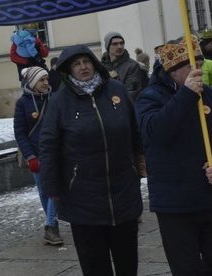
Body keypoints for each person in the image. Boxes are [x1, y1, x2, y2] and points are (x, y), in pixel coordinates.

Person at [136, 37, 212, 275]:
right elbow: (156, 132)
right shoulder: (149, 98)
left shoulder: (211, 95)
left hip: (209, 194)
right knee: (186, 267)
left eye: (199, 62)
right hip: (174, 202)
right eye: (190, 65)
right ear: (173, 72)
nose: (198, 70)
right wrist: (185, 95)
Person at [40, 45, 143, 276]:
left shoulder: (116, 90)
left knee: (128, 262)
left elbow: (135, 132)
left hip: (122, 191)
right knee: (95, 265)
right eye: (76, 64)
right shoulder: (60, 101)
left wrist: (141, 165)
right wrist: (51, 187)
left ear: (95, 64)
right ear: (68, 70)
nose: (83, 67)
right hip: (82, 196)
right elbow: (48, 146)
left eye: (87, 61)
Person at [13, 66, 62, 246]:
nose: (46, 83)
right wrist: (30, 157)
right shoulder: (22, 103)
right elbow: (20, 133)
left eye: (47, 79)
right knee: (45, 192)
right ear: (33, 82)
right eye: (41, 80)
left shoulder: (54, 98)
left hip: (56, 152)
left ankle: (51, 226)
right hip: (36, 154)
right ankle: (52, 225)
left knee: (54, 190)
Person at [101, 32, 147, 100]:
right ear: (108, 47)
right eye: (115, 44)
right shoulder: (101, 66)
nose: (119, 46)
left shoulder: (132, 66)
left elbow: (131, 93)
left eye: (121, 43)